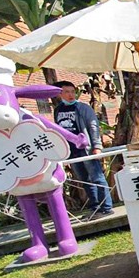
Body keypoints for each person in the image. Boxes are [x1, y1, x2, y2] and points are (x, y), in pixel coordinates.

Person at [54, 80, 113, 216]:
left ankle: (107, 207)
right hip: (71, 151)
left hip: (86, 149)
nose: (71, 95)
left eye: (73, 92)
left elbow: (93, 127)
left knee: (97, 177)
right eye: (67, 92)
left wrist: (97, 146)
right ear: (59, 94)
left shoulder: (83, 108)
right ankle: (95, 207)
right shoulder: (58, 110)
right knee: (84, 180)